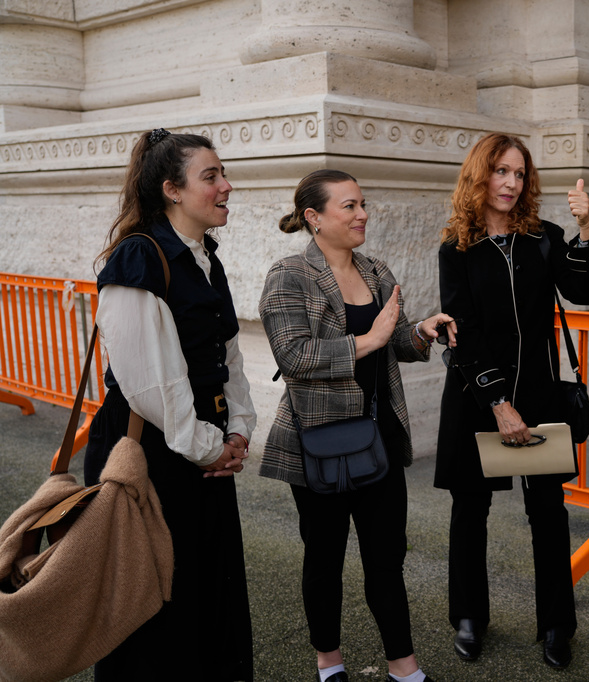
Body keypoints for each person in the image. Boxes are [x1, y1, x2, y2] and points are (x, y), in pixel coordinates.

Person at [259, 169, 450, 682]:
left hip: (377, 435)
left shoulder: (377, 271)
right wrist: (369, 339)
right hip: (317, 440)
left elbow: (398, 344)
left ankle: (404, 669)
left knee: (386, 556)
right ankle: (329, 664)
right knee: (324, 557)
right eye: (349, 206)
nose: (362, 213)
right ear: (314, 218)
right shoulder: (289, 275)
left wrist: (421, 330)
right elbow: (293, 356)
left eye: (363, 203)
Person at [84, 129, 256, 681]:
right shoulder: (139, 259)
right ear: (171, 190)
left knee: (206, 590)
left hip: (203, 449)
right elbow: (152, 386)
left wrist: (238, 432)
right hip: (152, 452)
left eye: (222, 174)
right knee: (152, 598)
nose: (226, 185)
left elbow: (227, 354)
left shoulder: (206, 256)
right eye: (211, 176)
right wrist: (209, 447)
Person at [434, 132, 589, 669]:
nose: (510, 183)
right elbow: (463, 332)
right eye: (500, 171)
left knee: (548, 511)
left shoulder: (544, 237)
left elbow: (584, 291)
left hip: (539, 393)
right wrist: (499, 404)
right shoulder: (455, 249)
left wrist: (585, 228)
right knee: (471, 509)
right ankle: (469, 617)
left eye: (519, 173)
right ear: (479, 176)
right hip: (476, 396)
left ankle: (556, 624)